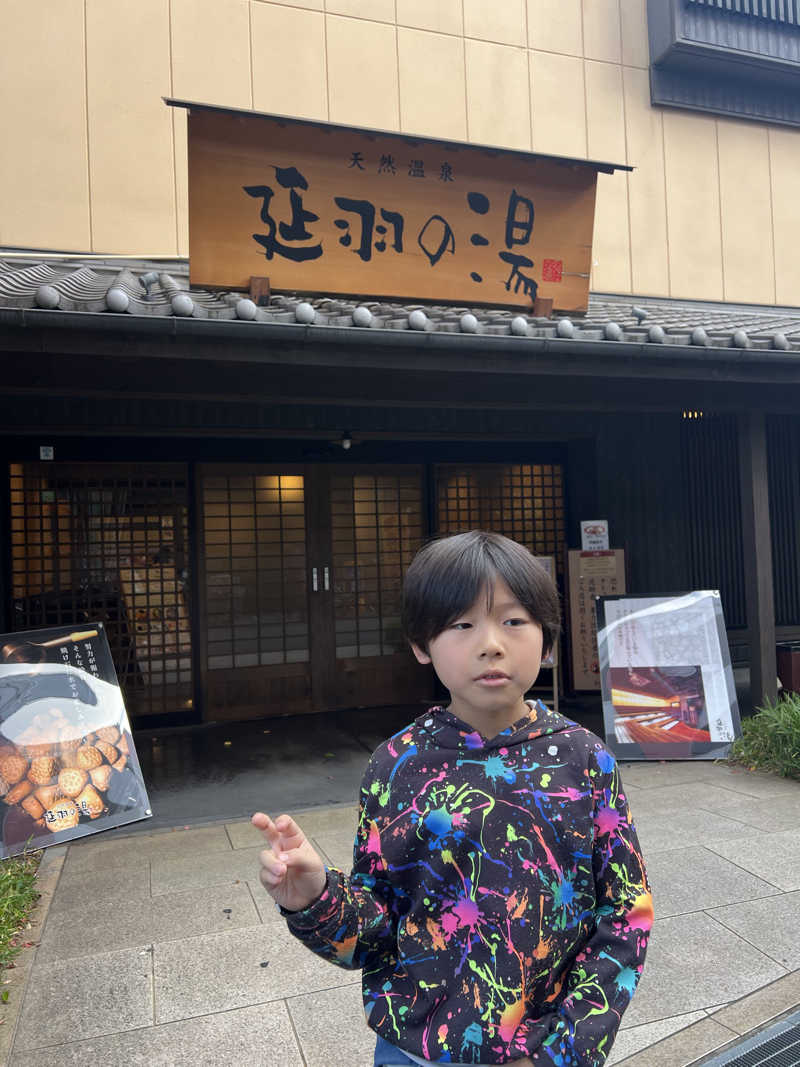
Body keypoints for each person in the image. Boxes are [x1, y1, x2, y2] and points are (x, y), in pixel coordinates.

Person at [253, 531, 653, 1066]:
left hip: (547, 1051)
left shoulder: (583, 759)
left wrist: (566, 1049)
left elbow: (627, 911)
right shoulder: (395, 768)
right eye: (462, 625)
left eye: (514, 621)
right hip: (415, 1052)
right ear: (422, 644)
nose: (491, 643)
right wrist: (315, 896)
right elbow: (375, 933)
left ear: (547, 638)